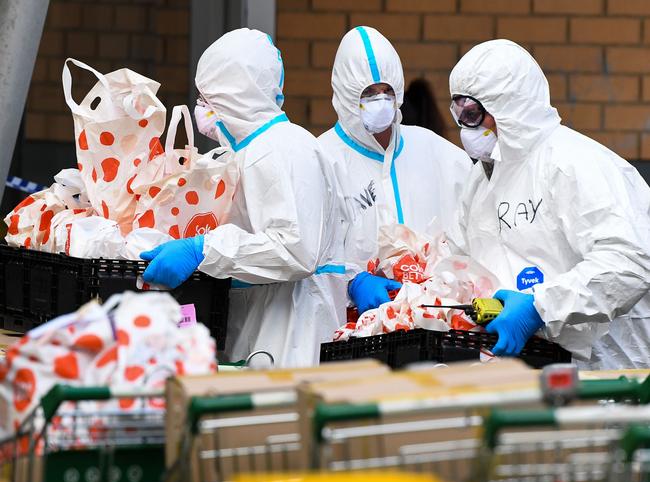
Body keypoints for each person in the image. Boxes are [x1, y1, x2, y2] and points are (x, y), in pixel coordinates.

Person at [140, 28, 348, 367]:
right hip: (260, 325)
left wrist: (203, 249)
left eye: (207, 99)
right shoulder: (249, 152)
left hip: (292, 335)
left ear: (233, 96)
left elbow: (295, 250)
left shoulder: (282, 149)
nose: (201, 108)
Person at [449, 39, 650, 369]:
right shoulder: (484, 178)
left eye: (473, 114)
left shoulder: (576, 164)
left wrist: (540, 307)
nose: (467, 128)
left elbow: (628, 261)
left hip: (601, 375)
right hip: (519, 372)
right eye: (459, 114)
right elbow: (460, 259)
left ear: (507, 105)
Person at [318, 26, 472, 315]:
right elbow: (305, 256)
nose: (381, 101)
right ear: (346, 94)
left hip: (432, 320)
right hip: (349, 326)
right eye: (369, 93)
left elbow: (475, 234)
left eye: (387, 91)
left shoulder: (438, 154)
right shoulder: (322, 159)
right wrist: (351, 281)